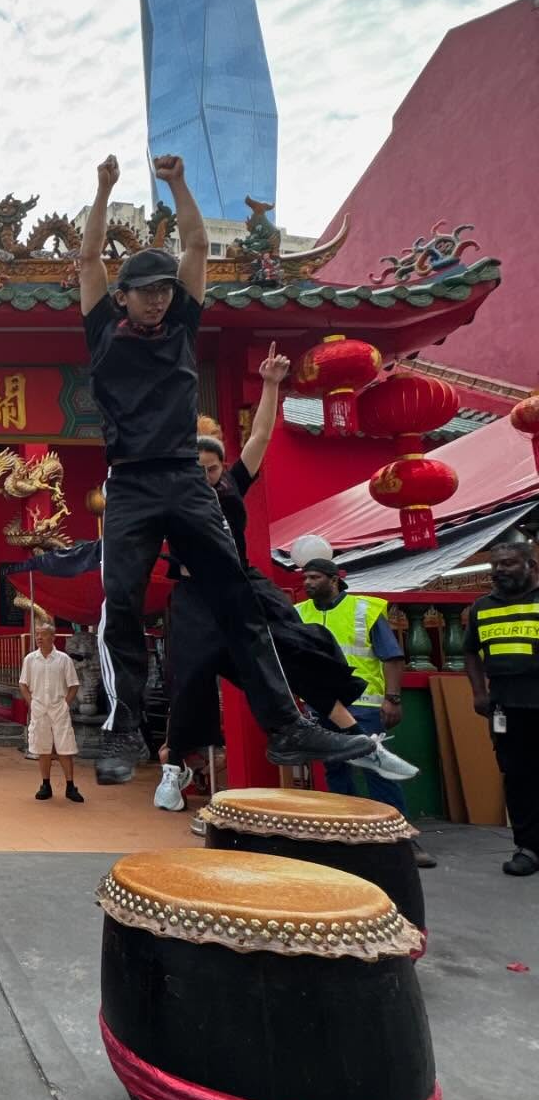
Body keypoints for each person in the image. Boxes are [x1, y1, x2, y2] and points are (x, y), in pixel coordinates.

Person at [78, 151, 383, 782]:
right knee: (121, 601)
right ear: (124, 295)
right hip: (130, 480)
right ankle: (121, 730)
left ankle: (287, 726)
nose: (159, 300)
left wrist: (179, 182)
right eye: (147, 291)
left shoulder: (183, 322)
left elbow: (194, 244)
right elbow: (86, 261)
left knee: (239, 598)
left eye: (166, 289)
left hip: (185, 479)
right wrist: (104, 191)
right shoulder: (103, 328)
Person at [156, 348, 419, 811]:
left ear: (221, 469)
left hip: (241, 586)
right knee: (188, 678)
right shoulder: (170, 499)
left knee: (295, 653)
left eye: (211, 470)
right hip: (197, 597)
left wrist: (272, 384)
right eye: (194, 471)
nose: (205, 477)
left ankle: (364, 745)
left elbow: (259, 435)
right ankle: (173, 770)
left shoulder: (234, 483)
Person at [295, 555, 435, 865]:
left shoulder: (364, 610)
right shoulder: (299, 614)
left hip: (364, 705)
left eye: (315, 577)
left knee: (377, 769)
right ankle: (344, 838)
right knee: (335, 772)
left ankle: (401, 840)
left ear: (334, 579)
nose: (307, 583)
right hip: (322, 708)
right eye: (305, 578)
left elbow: (392, 658)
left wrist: (393, 698)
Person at [462, 529, 539, 876]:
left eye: (508, 563)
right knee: (517, 776)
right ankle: (528, 848)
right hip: (505, 705)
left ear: (530, 565)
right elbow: (470, 652)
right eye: (495, 565)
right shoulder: (481, 607)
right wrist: (479, 692)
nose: (499, 570)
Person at [21, 623, 82, 803]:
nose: (39, 637)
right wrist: (31, 703)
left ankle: (70, 785)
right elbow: (23, 684)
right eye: (37, 634)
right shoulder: (30, 659)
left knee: (65, 747)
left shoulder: (64, 659)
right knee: (43, 748)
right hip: (39, 708)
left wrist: (65, 704)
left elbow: (73, 685)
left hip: (58, 708)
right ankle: (45, 784)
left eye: (43, 634)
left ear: (53, 637)